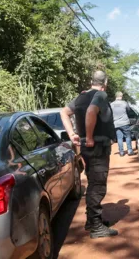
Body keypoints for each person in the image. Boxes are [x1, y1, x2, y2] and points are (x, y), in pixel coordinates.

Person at [60, 70, 118, 239]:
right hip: (96, 147)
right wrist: (90, 137)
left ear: (91, 81)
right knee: (98, 186)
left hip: (87, 148)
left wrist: (72, 134)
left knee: (93, 183)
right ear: (105, 82)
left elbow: (63, 112)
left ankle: (92, 221)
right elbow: (92, 111)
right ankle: (96, 227)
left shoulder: (80, 97)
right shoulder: (100, 95)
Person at [111, 91, 135, 156]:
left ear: (115, 96)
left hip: (116, 123)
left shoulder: (111, 104)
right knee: (128, 136)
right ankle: (130, 151)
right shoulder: (124, 103)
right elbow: (129, 110)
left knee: (119, 138)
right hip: (125, 123)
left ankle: (121, 152)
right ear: (121, 96)